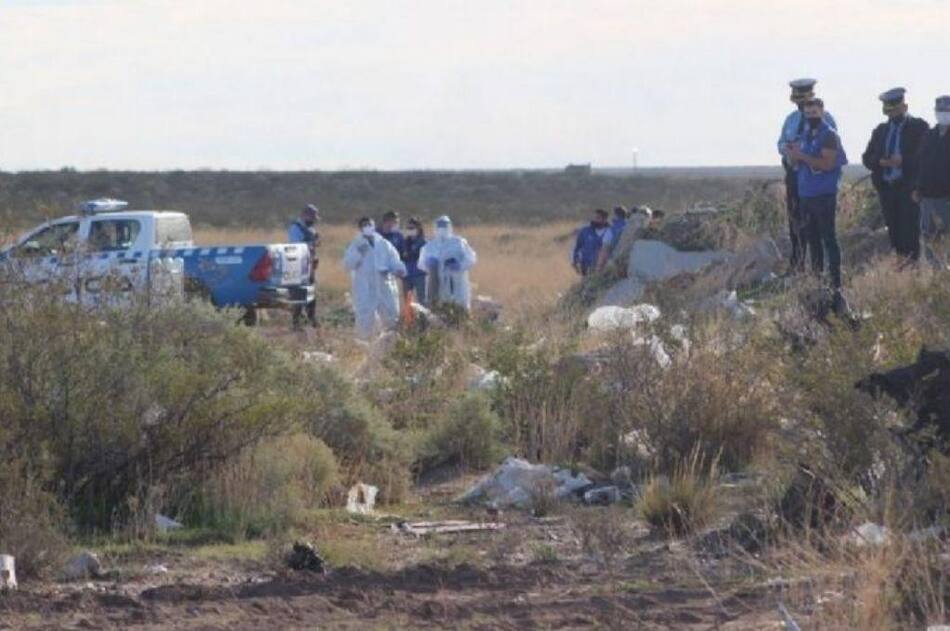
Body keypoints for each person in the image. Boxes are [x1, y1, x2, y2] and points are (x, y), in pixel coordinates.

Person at [785, 97, 848, 310]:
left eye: (814, 113)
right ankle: (818, 280)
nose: (811, 117)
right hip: (806, 195)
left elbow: (827, 163)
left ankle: (836, 283)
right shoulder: (803, 135)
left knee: (828, 238)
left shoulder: (829, 135)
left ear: (822, 112)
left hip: (824, 195)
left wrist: (802, 156)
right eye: (808, 113)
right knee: (812, 241)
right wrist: (793, 155)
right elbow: (795, 164)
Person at [862, 87, 930, 262]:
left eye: (896, 109)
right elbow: (867, 158)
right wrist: (881, 162)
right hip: (887, 190)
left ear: (904, 107)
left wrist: (903, 161)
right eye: (889, 110)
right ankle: (901, 270)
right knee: (895, 233)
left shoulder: (919, 127)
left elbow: (925, 158)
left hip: (908, 189)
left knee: (910, 234)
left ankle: (912, 272)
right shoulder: (881, 130)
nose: (892, 113)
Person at [777, 78, 838, 274]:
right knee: (796, 221)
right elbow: (780, 143)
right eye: (797, 99)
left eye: (803, 99)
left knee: (819, 229)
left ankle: (824, 270)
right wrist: (788, 150)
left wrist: (802, 151)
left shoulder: (825, 120)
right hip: (794, 177)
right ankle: (798, 263)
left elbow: (830, 149)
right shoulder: (791, 119)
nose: (800, 104)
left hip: (817, 180)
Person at [342, 217, 406, 339]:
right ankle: (364, 345)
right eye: (365, 225)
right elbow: (347, 265)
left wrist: (398, 269)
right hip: (365, 287)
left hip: (384, 285)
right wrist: (358, 253)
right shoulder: (356, 244)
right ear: (360, 228)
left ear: (374, 225)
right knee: (365, 317)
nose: (368, 227)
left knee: (391, 315)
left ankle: (391, 345)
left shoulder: (384, 244)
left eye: (370, 224)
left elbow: (394, 260)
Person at [914, 95, 950, 267]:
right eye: (941, 111)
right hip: (928, 196)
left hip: (947, 197)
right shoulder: (929, 136)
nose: (944, 114)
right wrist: (917, 188)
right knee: (928, 234)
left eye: (947, 111)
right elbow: (921, 164)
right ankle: (934, 272)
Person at [418, 215, 477, 310]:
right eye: (439, 226)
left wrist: (460, 265)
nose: (442, 229)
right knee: (438, 308)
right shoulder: (429, 246)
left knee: (459, 307)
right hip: (437, 284)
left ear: (450, 227)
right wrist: (428, 264)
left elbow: (471, 258)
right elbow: (420, 264)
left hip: (457, 282)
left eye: (444, 226)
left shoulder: (458, 242)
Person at [287, 204, 320, 328]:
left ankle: (311, 318)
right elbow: (297, 246)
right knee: (299, 293)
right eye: (312, 217)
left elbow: (314, 243)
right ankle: (297, 322)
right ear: (305, 215)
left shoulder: (310, 228)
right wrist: (311, 244)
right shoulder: (295, 228)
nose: (314, 221)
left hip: (310, 264)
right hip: (298, 264)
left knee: (311, 291)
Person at [572, 209, 613, 276]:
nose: (595, 220)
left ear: (605, 219)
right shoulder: (585, 231)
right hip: (585, 266)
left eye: (598, 218)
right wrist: (575, 261)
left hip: (602, 268)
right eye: (595, 218)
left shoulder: (610, 232)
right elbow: (577, 247)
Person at [400, 217, 428, 304]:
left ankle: (423, 317)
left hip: (420, 274)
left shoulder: (424, 243)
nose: (410, 230)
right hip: (407, 275)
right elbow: (401, 256)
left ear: (418, 228)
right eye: (408, 228)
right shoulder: (405, 242)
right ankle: (409, 317)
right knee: (407, 301)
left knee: (422, 299)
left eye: (412, 228)